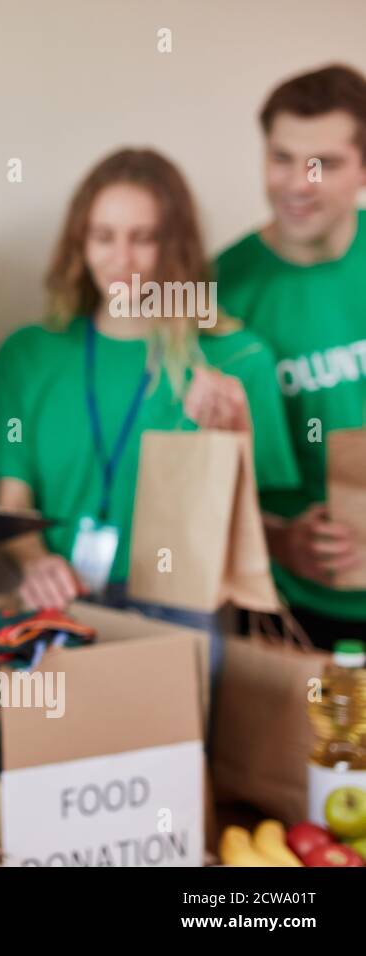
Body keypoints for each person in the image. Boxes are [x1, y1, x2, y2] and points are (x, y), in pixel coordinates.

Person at [0, 148, 299, 682]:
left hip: (185, 614)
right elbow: (10, 503)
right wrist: (35, 561)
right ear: (80, 242)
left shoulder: (237, 358)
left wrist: (231, 440)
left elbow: (258, 531)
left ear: (175, 245)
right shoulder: (29, 355)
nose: (121, 258)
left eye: (143, 237)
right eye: (104, 236)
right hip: (61, 607)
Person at [215, 64, 366, 650]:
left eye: (323, 163)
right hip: (290, 613)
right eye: (282, 158)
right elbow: (198, 477)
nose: (299, 184)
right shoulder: (216, 293)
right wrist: (281, 540)